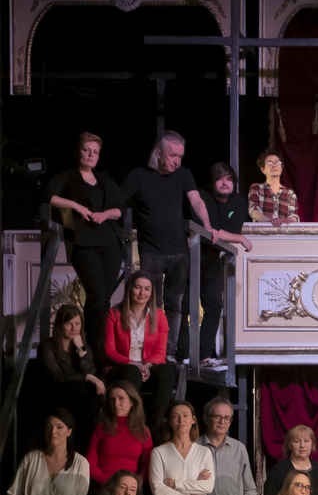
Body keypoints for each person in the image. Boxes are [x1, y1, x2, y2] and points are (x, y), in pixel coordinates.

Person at [121, 131, 215, 361]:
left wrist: (207, 225)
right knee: (151, 305)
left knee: (175, 305)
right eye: (173, 156)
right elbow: (119, 201)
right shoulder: (139, 175)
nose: (177, 161)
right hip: (151, 252)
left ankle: (168, 353)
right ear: (159, 153)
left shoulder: (183, 174)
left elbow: (196, 200)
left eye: (180, 157)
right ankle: (149, 352)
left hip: (178, 252)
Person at [46, 132, 126, 359]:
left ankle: (97, 346)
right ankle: (94, 348)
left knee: (103, 298)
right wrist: (76, 206)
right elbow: (48, 196)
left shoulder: (105, 179)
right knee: (97, 295)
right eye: (86, 150)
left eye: (95, 152)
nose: (91, 155)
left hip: (110, 242)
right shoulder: (68, 177)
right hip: (84, 242)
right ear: (77, 152)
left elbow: (120, 209)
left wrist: (105, 214)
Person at [188, 162, 252, 370]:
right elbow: (213, 231)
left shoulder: (238, 201)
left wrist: (234, 236)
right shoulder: (203, 196)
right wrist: (241, 239)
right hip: (190, 254)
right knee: (185, 304)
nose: (225, 183)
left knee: (214, 305)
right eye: (220, 179)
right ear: (212, 181)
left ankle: (205, 355)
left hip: (212, 257)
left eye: (229, 179)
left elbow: (225, 233)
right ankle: (182, 354)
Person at [104, 271, 177, 432]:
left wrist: (147, 366)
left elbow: (160, 351)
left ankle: (154, 428)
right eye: (137, 287)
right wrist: (133, 364)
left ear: (151, 292)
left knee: (167, 371)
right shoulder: (114, 314)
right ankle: (131, 426)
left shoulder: (159, 316)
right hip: (122, 368)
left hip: (147, 368)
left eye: (147, 289)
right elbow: (109, 350)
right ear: (130, 289)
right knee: (133, 372)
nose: (142, 293)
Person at [38, 304, 105, 438]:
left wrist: (80, 348)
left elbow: (90, 370)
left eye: (77, 324)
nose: (74, 328)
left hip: (81, 396)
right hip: (57, 393)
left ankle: (90, 436)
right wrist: (87, 377)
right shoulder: (47, 346)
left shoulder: (82, 345)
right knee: (80, 388)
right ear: (60, 325)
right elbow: (57, 377)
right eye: (69, 324)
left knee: (97, 387)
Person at [86, 382, 153, 485]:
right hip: (103, 486)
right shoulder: (101, 428)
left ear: (132, 401)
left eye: (121, 398)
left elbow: (147, 465)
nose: (116, 404)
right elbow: (90, 462)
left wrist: (134, 484)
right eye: (112, 400)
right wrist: (106, 483)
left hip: (129, 488)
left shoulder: (143, 431)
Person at [248, 151, 299, 226]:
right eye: (269, 163)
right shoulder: (256, 188)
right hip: (262, 231)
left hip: (284, 232)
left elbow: (293, 215)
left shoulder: (290, 193)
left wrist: (291, 220)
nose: (274, 165)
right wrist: (270, 221)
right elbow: (254, 211)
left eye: (277, 162)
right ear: (263, 170)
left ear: (281, 168)